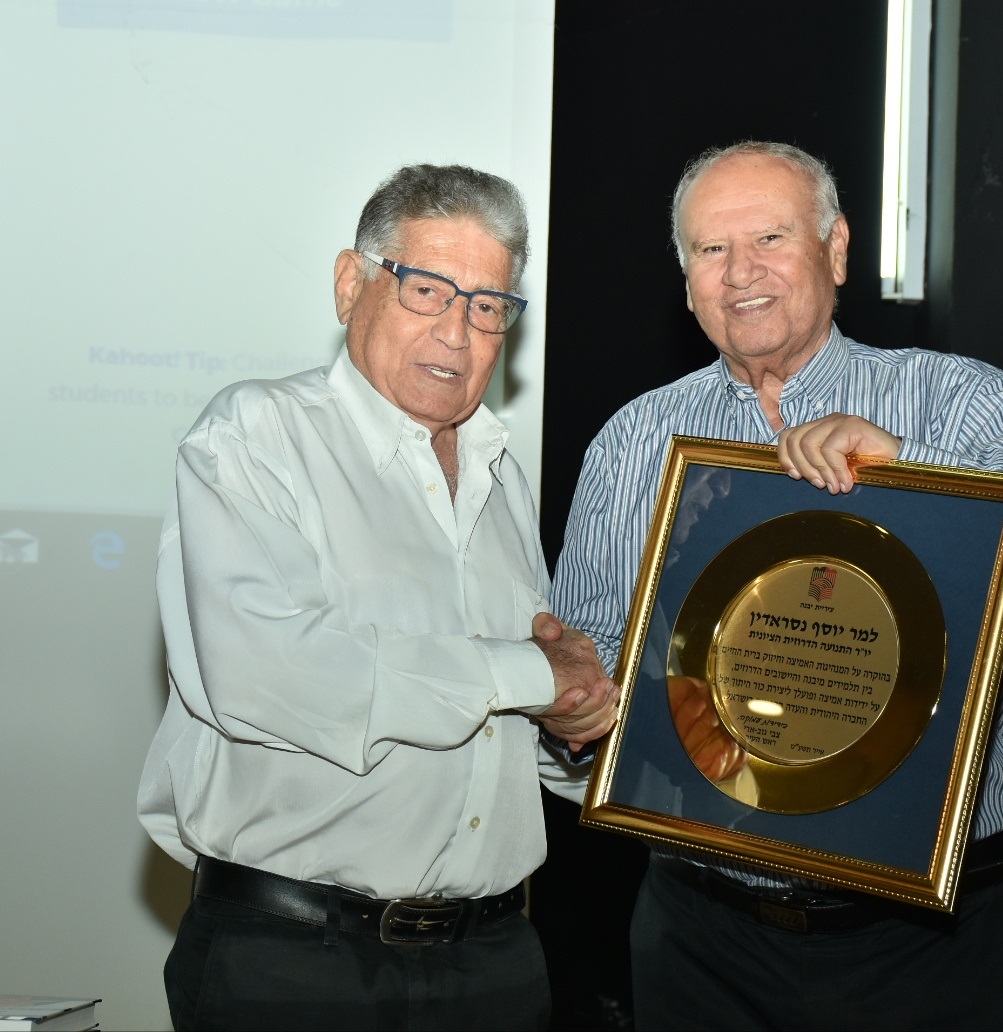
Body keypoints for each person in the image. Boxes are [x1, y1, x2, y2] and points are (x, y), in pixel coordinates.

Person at [551, 141, 1003, 1030]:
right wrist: (575, 705)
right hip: (700, 939)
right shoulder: (634, 441)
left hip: (927, 944)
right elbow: (594, 667)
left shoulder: (954, 402)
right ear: (685, 281)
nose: (740, 273)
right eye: (710, 249)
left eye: (770, 238)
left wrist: (917, 470)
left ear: (837, 250)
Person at [138, 163, 617, 1031]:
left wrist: (572, 726)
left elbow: (497, 721)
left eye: (488, 306)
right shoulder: (256, 436)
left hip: (494, 964)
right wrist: (531, 675)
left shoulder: (500, 474)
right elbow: (268, 675)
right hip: (297, 966)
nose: (458, 332)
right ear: (350, 284)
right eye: (427, 289)